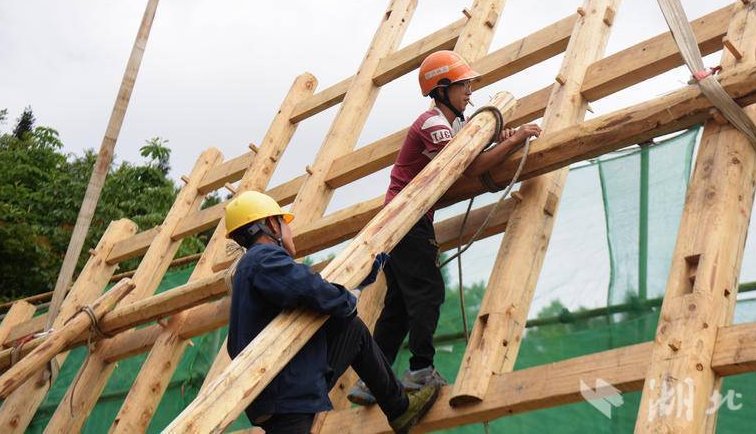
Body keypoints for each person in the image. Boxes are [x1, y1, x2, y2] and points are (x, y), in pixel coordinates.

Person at [349, 50, 541, 405]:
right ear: (440, 89)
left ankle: (370, 381)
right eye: (463, 84)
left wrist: (501, 139)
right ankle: (421, 369)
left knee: (399, 304)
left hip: (398, 220)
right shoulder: (432, 124)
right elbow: (470, 166)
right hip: (407, 218)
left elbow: (473, 150)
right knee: (428, 292)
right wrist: (516, 140)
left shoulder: (452, 127)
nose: (470, 91)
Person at [225, 190, 440, 434]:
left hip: (279, 390)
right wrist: (347, 299)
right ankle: (400, 409)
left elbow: (306, 295)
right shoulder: (263, 257)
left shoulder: (249, 274)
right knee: (351, 326)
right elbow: (308, 287)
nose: (290, 230)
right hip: (286, 392)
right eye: (285, 223)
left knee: (352, 331)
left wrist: (355, 287)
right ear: (271, 224)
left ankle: (399, 408)